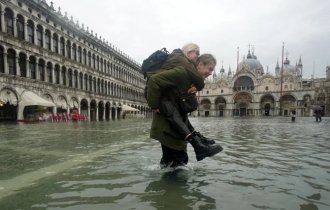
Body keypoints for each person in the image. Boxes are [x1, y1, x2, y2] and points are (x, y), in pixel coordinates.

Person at [146, 44, 222, 168]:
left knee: (173, 163)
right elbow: (154, 81)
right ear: (200, 64)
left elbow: (180, 104)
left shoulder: (191, 80)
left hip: (175, 126)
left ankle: (198, 142)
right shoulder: (182, 72)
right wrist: (154, 105)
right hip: (167, 126)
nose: (210, 73)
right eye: (210, 69)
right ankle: (168, 185)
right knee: (176, 163)